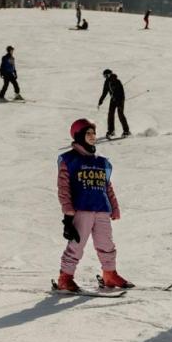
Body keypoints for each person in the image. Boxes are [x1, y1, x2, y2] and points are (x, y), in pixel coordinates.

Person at [56, 118, 131, 291]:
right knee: (77, 244)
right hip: (82, 208)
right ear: (78, 136)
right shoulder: (69, 159)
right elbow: (64, 187)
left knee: (106, 244)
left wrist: (114, 207)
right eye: (88, 133)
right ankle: (65, 277)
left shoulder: (101, 161)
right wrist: (68, 212)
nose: (92, 136)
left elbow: (107, 186)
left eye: (93, 133)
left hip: (102, 208)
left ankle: (109, 274)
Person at [98, 69, 131, 138]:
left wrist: (118, 100)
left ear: (110, 74)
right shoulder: (107, 82)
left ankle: (126, 131)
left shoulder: (117, 81)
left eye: (106, 75)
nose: (106, 77)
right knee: (110, 114)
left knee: (120, 114)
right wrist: (101, 100)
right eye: (104, 76)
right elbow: (104, 92)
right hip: (113, 100)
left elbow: (121, 92)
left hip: (120, 99)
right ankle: (111, 131)